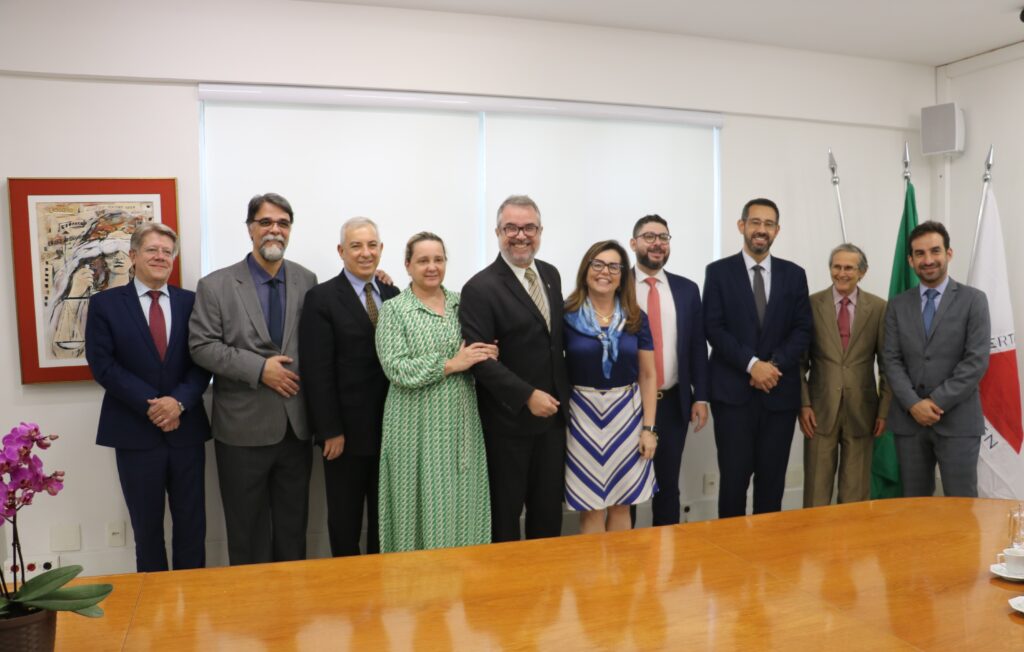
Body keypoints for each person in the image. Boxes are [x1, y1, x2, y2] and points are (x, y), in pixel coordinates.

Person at [189, 192, 318, 565]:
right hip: (242, 431)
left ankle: (290, 613)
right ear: (250, 229)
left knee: (294, 530)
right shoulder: (216, 285)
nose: (274, 230)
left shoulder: (307, 280)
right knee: (247, 533)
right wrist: (260, 369)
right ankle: (252, 615)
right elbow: (202, 346)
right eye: (266, 222)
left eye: (282, 223)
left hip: (296, 428)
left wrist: (377, 278)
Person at [85, 222, 211, 572]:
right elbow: (103, 365)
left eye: (167, 252)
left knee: (192, 527)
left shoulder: (192, 303)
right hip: (134, 432)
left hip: (186, 430)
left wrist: (178, 402)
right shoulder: (105, 304)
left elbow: (203, 360)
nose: (160, 257)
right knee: (147, 530)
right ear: (133, 255)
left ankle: (194, 601)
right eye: (152, 250)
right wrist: (154, 405)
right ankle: (154, 612)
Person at [459, 195, 570, 542]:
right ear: (497, 232)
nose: (520, 235)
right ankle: (507, 593)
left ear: (540, 231)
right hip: (507, 425)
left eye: (528, 228)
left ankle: (544, 590)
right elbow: (480, 361)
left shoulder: (550, 274)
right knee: (505, 518)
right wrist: (527, 396)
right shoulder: (480, 287)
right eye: (511, 228)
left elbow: (553, 342)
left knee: (548, 514)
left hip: (552, 422)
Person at [375, 232, 494, 552]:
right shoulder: (395, 310)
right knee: (416, 503)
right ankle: (416, 589)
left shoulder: (463, 303)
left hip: (460, 420)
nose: (432, 267)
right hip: (412, 425)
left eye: (438, 259)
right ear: (407, 265)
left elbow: (479, 348)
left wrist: (488, 353)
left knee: (462, 498)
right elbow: (396, 367)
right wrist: (452, 364)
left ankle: (463, 584)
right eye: (423, 260)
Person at [703, 198, 812, 517]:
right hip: (732, 395)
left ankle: (767, 557)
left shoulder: (795, 274)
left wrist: (772, 367)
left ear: (777, 230)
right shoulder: (719, 272)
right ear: (742, 226)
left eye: (768, 224)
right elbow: (713, 327)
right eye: (755, 222)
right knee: (734, 482)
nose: (761, 230)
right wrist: (752, 365)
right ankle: (731, 554)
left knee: (772, 483)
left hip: (779, 395)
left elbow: (803, 329)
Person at [298, 217, 399, 556]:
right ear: (341, 251)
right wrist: (330, 430)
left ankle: (381, 589)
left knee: (385, 519)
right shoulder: (321, 298)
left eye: (372, 245)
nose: (365, 252)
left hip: (391, 429)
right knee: (345, 520)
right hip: (345, 435)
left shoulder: (393, 293)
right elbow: (317, 370)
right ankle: (348, 594)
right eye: (356, 245)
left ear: (381, 250)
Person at [882, 221, 990, 497]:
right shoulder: (897, 304)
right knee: (914, 507)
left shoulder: (973, 300)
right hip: (909, 422)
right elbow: (890, 359)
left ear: (949, 253)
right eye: (920, 253)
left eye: (935, 251)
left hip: (958, 421)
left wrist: (935, 402)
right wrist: (914, 405)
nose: (928, 260)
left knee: (961, 505)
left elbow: (976, 361)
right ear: (910, 260)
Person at [563, 240, 658, 532]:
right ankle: (596, 580)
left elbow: (648, 375)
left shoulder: (636, 318)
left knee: (622, 504)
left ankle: (623, 578)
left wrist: (648, 429)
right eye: (598, 264)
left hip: (627, 417)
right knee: (590, 507)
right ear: (586, 270)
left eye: (614, 266)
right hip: (581, 418)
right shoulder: (565, 315)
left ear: (622, 276)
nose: (605, 272)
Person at [629, 214, 709, 526]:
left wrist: (700, 396)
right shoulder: (617, 287)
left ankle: (666, 562)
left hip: (674, 403)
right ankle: (628, 563)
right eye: (649, 236)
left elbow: (696, 347)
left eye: (663, 237)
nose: (657, 243)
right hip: (629, 405)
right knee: (627, 491)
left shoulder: (687, 290)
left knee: (668, 487)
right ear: (634, 243)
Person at [799, 243, 892, 506]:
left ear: (862, 272)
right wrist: (803, 404)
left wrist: (884, 411)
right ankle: (816, 545)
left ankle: (851, 547)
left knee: (855, 495)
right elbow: (799, 363)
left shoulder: (878, 308)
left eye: (849, 267)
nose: (842, 273)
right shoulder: (810, 304)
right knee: (816, 492)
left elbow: (887, 365)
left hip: (863, 413)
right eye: (836, 266)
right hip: (819, 412)